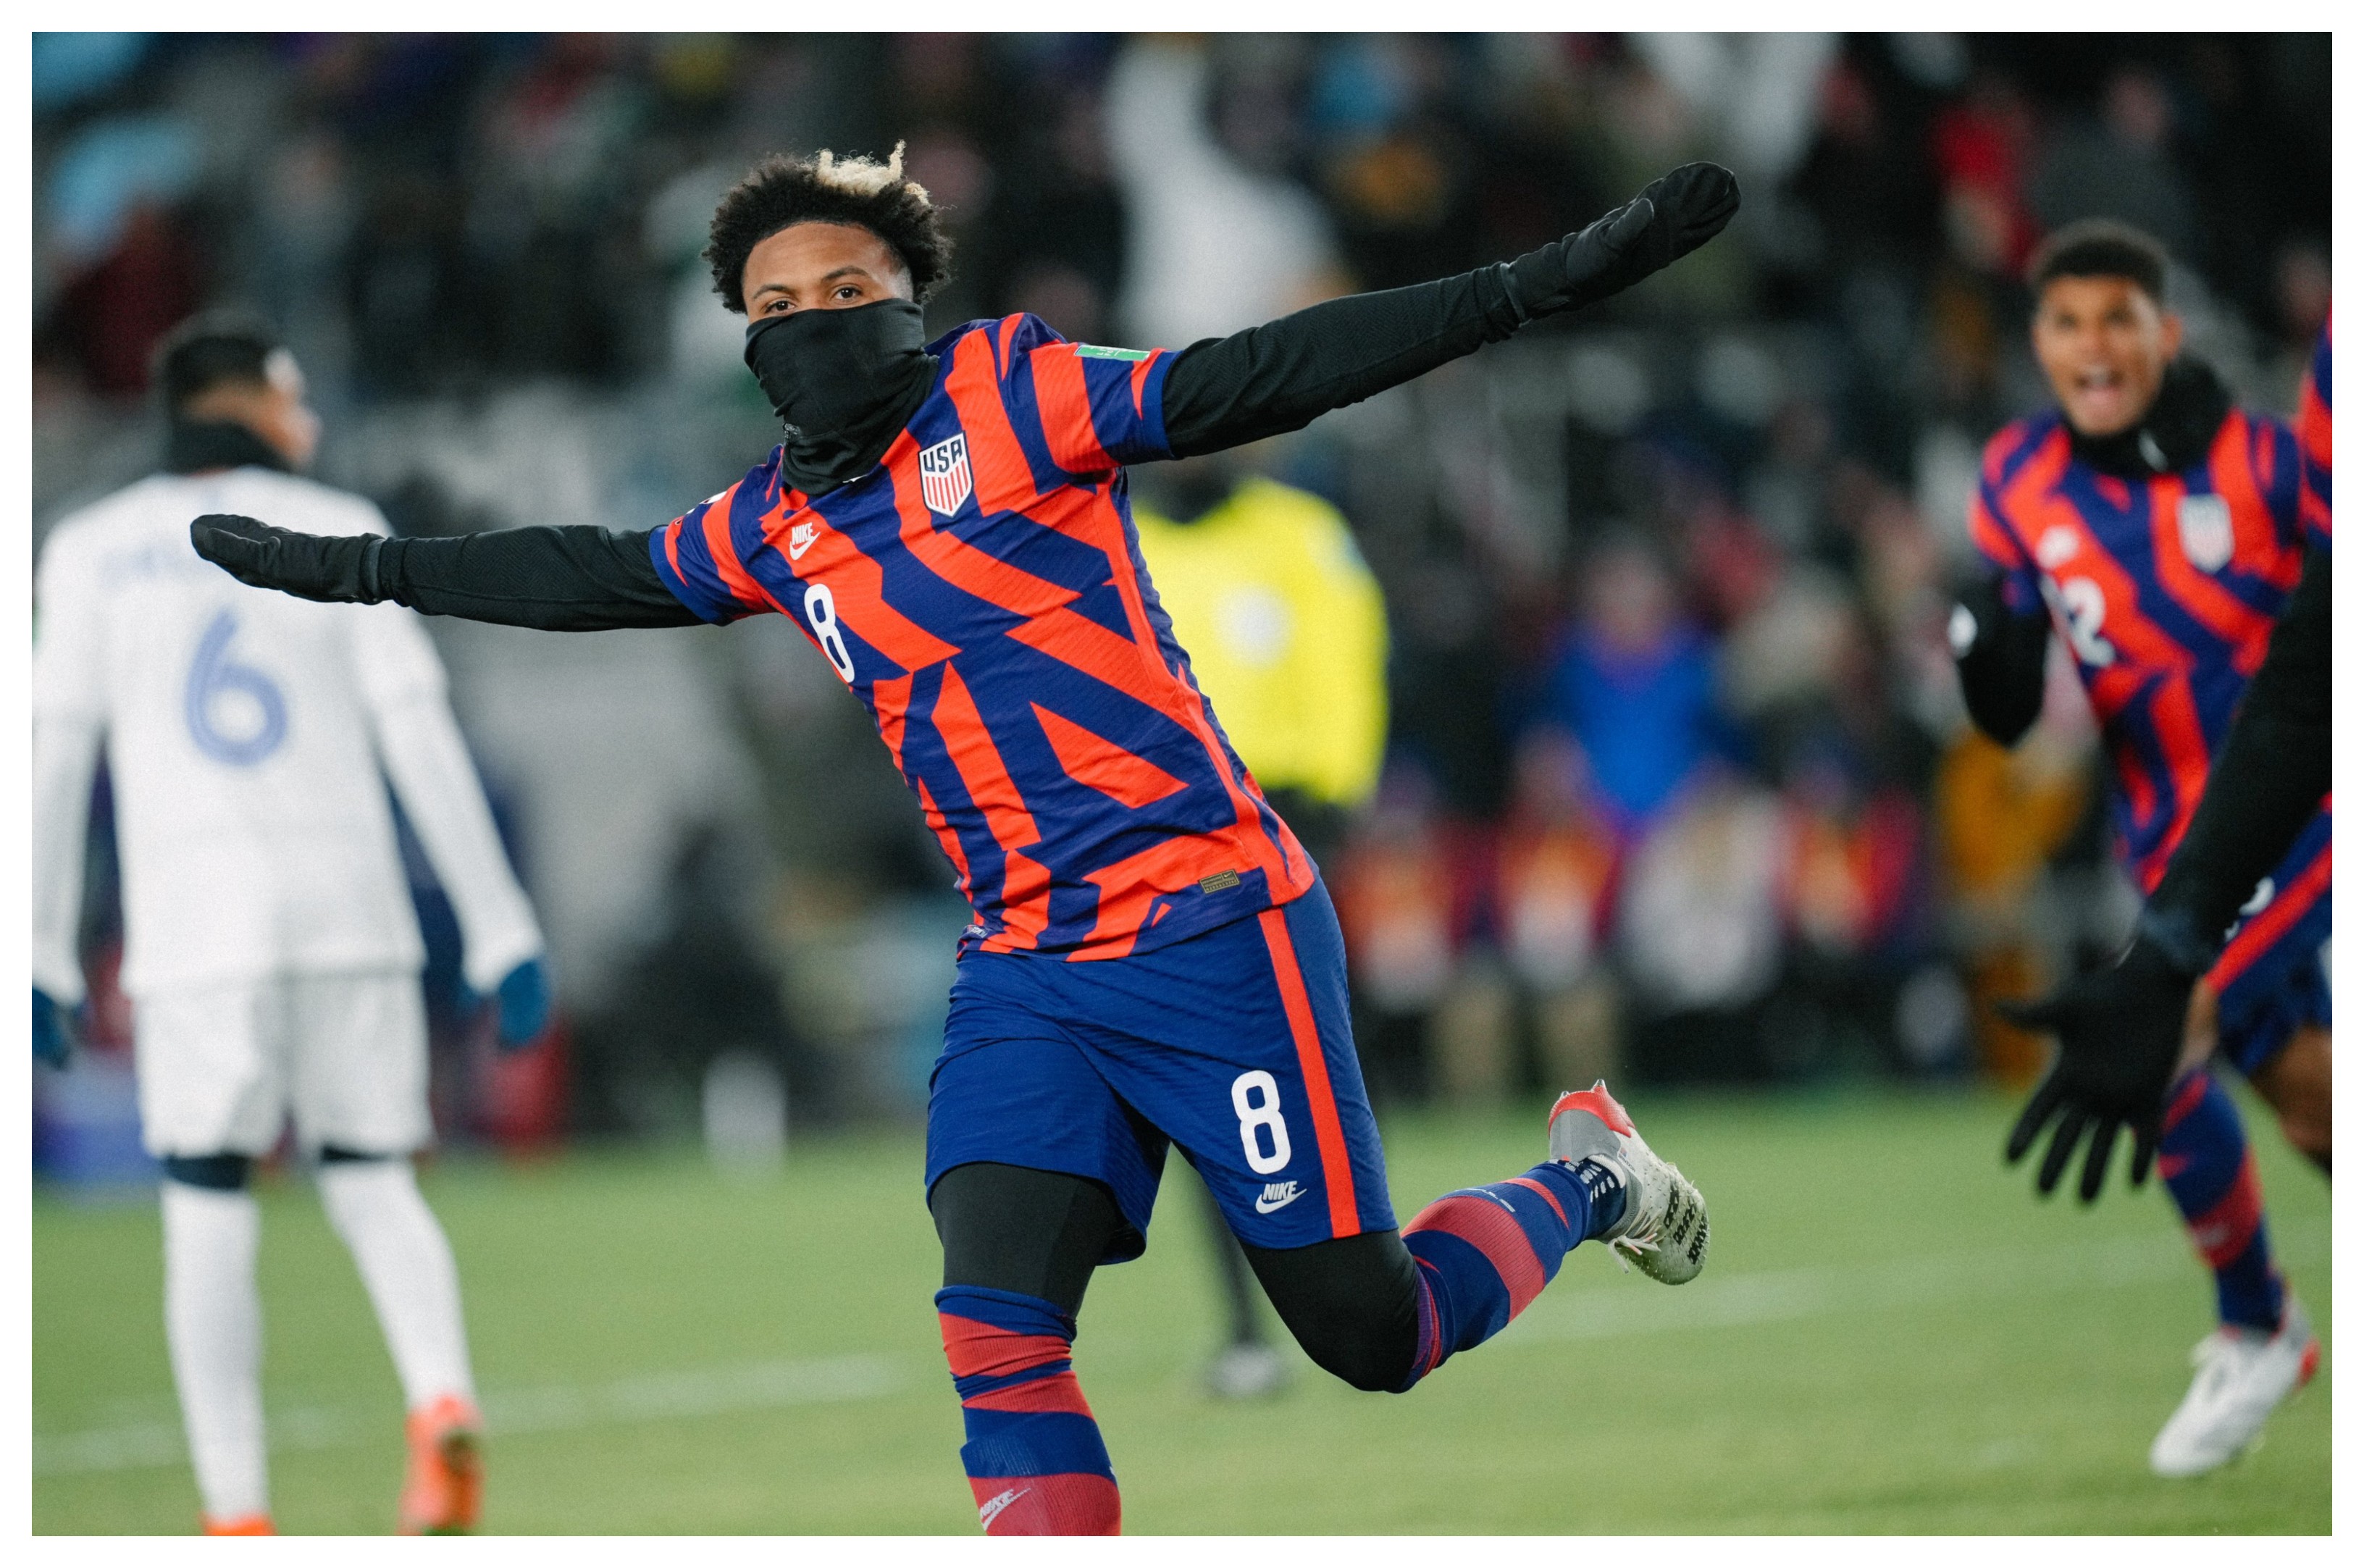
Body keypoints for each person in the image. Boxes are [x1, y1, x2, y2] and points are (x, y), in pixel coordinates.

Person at [188, 146, 1734, 1535]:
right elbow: (593, 570)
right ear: (745, 342)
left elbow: (1262, 375)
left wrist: (1531, 285)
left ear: (910, 302)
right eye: (776, 304)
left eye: (846, 290)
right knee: (996, 1331)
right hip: (1027, 970)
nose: (812, 320)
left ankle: (1589, 1180)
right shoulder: (772, 527)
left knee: (1373, 1336)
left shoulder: (1019, 390)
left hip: (1212, 926)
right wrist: (372, 570)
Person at [31, 314, 553, 1534]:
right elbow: (418, 732)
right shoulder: (342, 525)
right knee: (373, 1176)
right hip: (350, 910)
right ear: (250, 403)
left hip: (194, 926)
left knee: (205, 1196)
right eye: (294, 397)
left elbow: (54, 756)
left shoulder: (90, 548)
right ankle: (439, 1397)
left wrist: (40, 948)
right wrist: (500, 925)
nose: (308, 419)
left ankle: (237, 1510)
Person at [1948, 223, 2324, 1477]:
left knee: (2152, 1033)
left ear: (2168, 331)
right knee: (2314, 1109)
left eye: (2118, 317)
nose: (2093, 345)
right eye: (2067, 322)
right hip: (2170, 848)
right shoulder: (2016, 478)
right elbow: (2010, 686)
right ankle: (2265, 1326)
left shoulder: (2270, 460)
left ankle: (2257, 1326)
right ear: (2040, 342)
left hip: (2309, 821)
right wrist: (1989, 664)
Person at [1133, 453, 1388, 1399]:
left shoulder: (1302, 534)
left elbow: (1348, 665)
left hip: (1287, 822)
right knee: (1215, 1084)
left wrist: (1337, 796)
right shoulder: (1118, 538)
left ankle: (1363, 1285)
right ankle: (1250, 1326)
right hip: (1167, 839)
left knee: (1315, 1073)